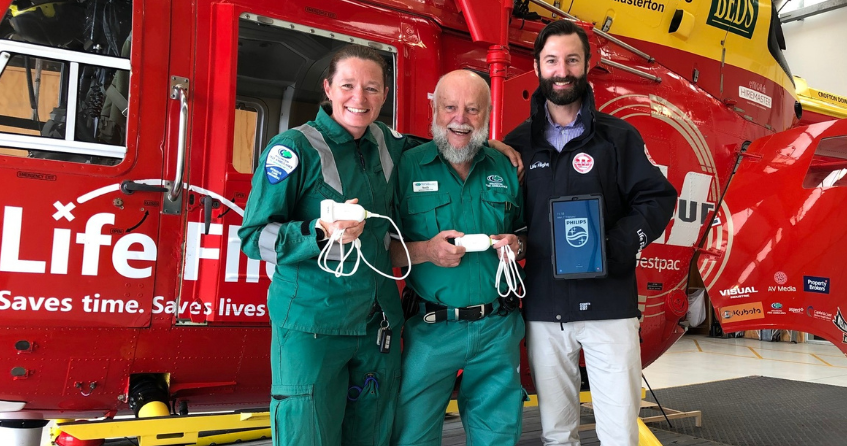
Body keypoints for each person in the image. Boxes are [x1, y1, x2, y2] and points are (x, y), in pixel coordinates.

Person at [238, 45, 522, 446]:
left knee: (372, 435)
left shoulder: (388, 144)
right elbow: (253, 237)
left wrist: (488, 143)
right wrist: (318, 232)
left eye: (372, 88)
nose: (360, 98)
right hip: (314, 325)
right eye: (348, 86)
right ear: (328, 88)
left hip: (377, 327)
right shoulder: (292, 150)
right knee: (308, 435)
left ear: (385, 94)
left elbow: (451, 134)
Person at [503, 20, 677, 446]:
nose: (562, 70)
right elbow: (506, 218)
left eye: (571, 60)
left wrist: (617, 246)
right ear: (538, 67)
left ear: (587, 64)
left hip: (610, 309)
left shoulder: (619, 138)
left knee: (619, 433)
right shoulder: (518, 143)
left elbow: (657, 199)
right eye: (552, 61)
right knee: (557, 434)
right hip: (545, 311)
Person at [390, 70, 526, 446]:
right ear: (434, 108)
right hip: (430, 330)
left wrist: (518, 245)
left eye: (472, 110)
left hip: (497, 328)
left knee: (498, 438)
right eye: (450, 107)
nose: (460, 119)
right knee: (411, 438)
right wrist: (425, 251)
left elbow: (526, 232)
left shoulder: (506, 168)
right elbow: (379, 249)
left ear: (488, 113)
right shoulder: (404, 167)